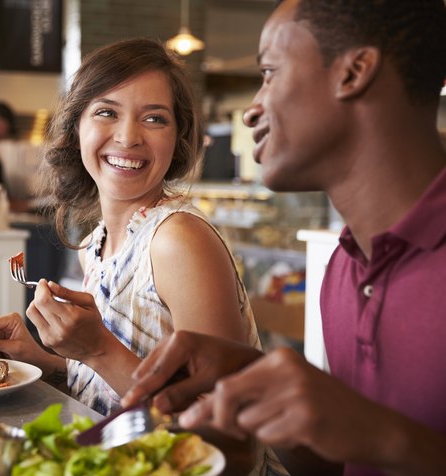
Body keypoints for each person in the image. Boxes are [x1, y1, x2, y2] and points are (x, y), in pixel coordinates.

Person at [123, 1, 446, 475]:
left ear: (354, 72)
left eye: (269, 72)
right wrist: (249, 415)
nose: (253, 110)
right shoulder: (344, 267)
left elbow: (375, 439)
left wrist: (380, 432)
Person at [0, 38, 284, 475]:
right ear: (77, 125)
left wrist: (98, 350)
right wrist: (44, 359)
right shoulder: (97, 244)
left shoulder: (178, 240)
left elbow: (229, 441)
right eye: (107, 112)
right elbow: (122, 383)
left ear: (177, 140)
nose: (128, 136)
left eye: (154, 118)